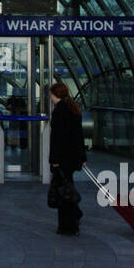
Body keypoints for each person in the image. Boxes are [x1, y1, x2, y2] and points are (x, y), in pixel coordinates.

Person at [48, 82, 86, 236]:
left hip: (62, 158)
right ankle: (73, 220)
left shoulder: (59, 112)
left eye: (51, 94)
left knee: (63, 191)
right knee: (67, 187)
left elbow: (57, 138)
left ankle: (67, 223)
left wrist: (54, 159)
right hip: (72, 157)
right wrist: (82, 156)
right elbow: (79, 136)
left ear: (55, 94)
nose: (50, 97)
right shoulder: (73, 109)